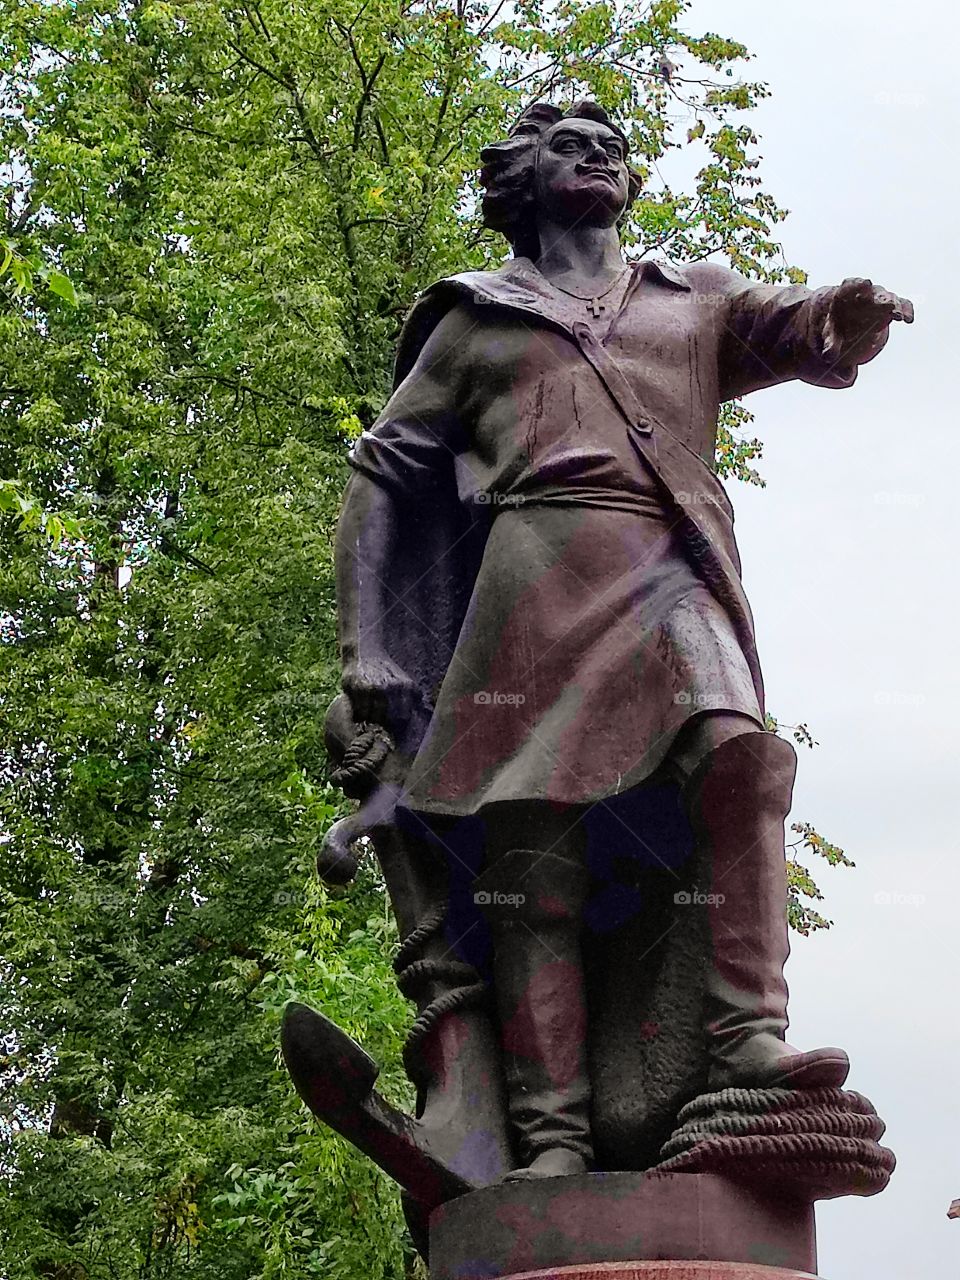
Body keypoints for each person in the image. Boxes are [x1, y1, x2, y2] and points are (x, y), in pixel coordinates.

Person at [334, 99, 913, 1179]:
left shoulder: (688, 298)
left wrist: (848, 311)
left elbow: (793, 323)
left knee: (739, 752)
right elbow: (383, 476)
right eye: (565, 139)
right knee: (533, 863)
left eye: (610, 140)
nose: (596, 148)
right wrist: (370, 644)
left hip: (670, 575)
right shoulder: (474, 322)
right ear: (518, 180)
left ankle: (746, 1035)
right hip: (530, 587)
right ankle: (551, 1140)